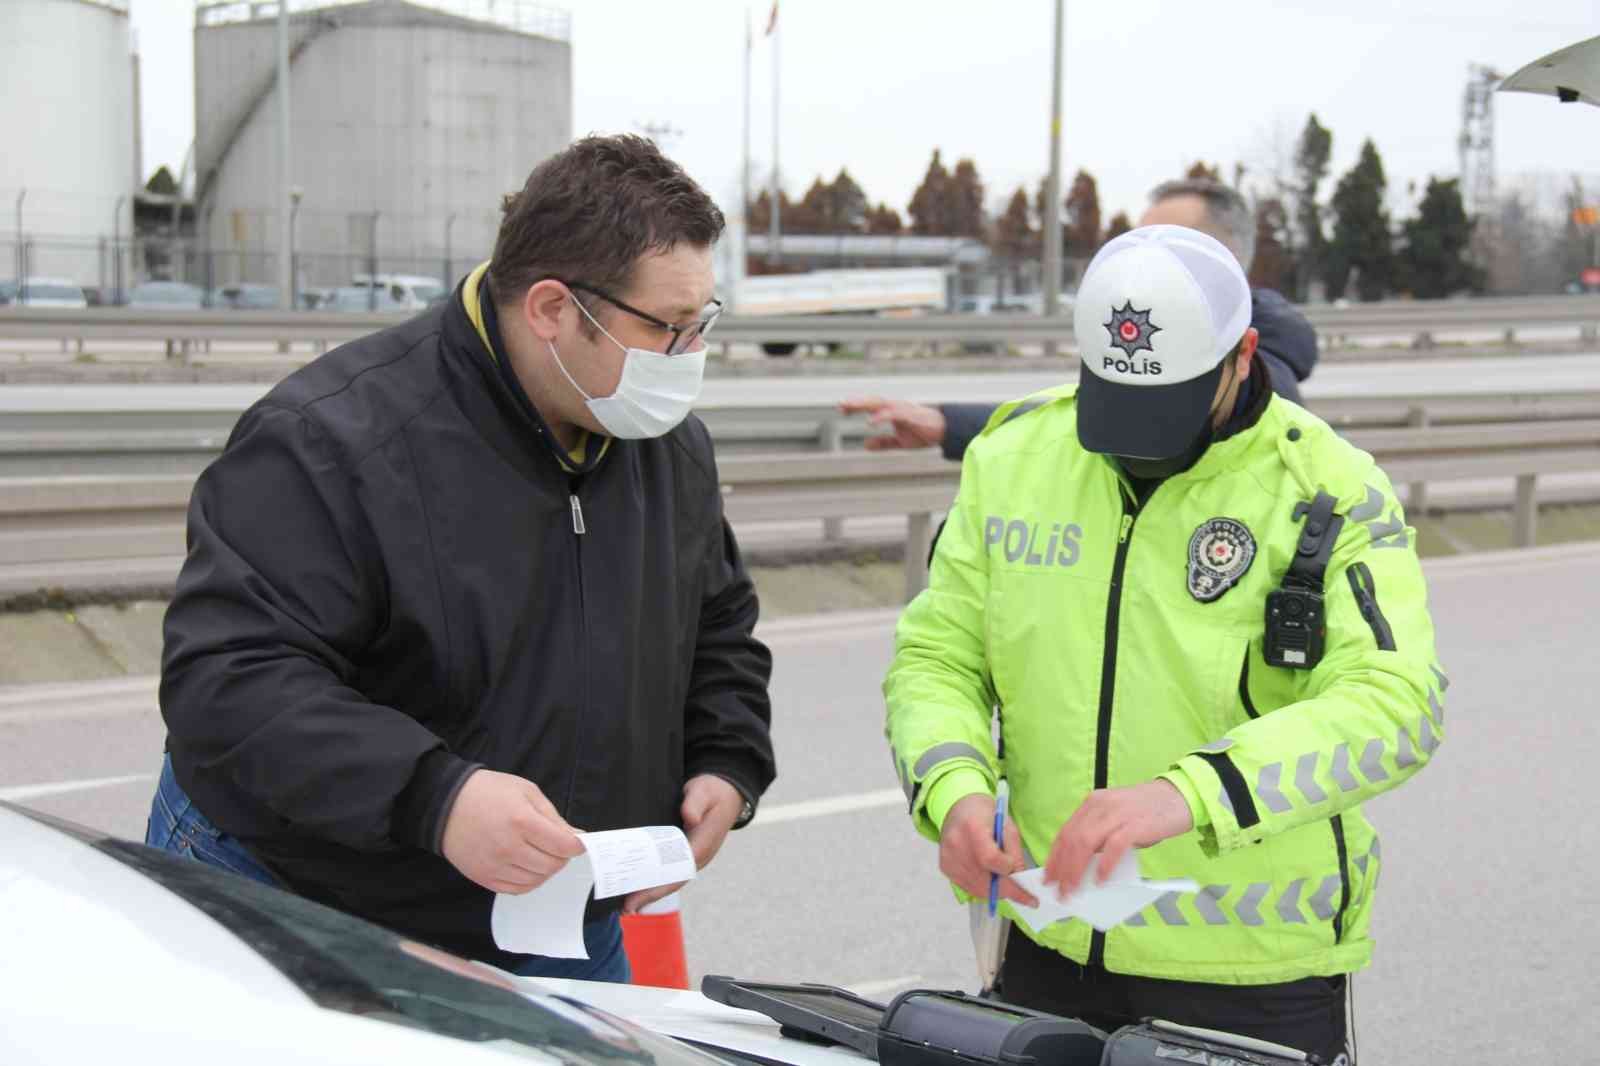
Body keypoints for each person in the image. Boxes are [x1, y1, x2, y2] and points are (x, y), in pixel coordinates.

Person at [145, 135, 776, 981]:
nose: (690, 357)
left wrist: (727, 757)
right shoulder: (334, 440)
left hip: (556, 918)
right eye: (667, 328)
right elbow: (228, 677)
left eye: (703, 323)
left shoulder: (667, 447)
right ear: (552, 308)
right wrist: (434, 797)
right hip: (310, 898)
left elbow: (718, 624)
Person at [883, 225, 1444, 1062]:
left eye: (1166, 408)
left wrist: (1188, 794)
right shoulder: (1014, 456)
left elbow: (1398, 706)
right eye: (1113, 401)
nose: (1135, 442)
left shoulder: (1330, 488)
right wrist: (953, 788)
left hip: (1254, 976)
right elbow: (937, 657)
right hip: (1047, 945)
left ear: (1243, 355)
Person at [842, 178, 1318, 459]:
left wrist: (952, 425)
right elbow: (1080, 420)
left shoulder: (1260, 380)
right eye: (1140, 238)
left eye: (1166, 239)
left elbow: (1119, 425)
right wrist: (949, 424)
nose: (1143, 255)